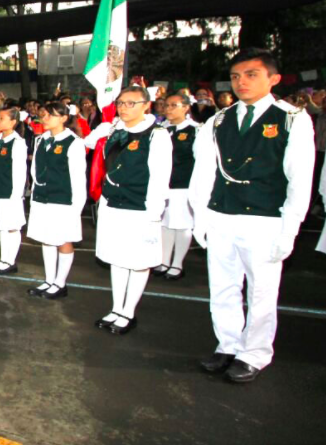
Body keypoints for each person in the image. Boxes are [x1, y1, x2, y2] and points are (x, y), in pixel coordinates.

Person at [190, 48, 314, 383]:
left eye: (251, 74)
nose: (241, 82)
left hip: (264, 218)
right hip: (222, 214)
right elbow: (204, 173)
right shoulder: (219, 120)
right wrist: (201, 216)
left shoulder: (291, 119)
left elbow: (299, 179)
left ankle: (254, 353)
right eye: (235, 76)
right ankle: (228, 345)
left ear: (273, 79)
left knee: (260, 292)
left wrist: (289, 229)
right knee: (223, 287)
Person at [85, 86, 172, 335]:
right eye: (121, 103)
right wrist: (103, 127)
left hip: (139, 206)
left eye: (130, 103)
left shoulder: (156, 135)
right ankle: (116, 308)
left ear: (146, 105)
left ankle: (128, 312)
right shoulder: (115, 129)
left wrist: (153, 215)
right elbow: (88, 143)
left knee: (137, 261)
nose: (124, 108)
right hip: (113, 203)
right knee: (117, 258)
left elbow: (159, 177)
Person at [25, 102, 87, 297]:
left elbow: (78, 177)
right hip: (42, 198)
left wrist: (76, 207)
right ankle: (49, 280)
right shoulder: (41, 140)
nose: (45, 119)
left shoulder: (73, 142)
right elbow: (35, 171)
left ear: (64, 118)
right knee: (47, 239)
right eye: (43, 115)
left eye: (50, 115)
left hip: (63, 200)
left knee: (63, 240)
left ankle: (60, 283)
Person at [154, 94, 198, 280]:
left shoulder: (195, 130)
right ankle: (164, 260)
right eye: (166, 105)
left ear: (186, 107)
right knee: (165, 224)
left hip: (183, 185)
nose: (168, 109)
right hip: (163, 184)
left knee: (182, 224)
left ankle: (177, 263)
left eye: (174, 105)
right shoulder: (161, 129)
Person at [0, 105, 27, 274]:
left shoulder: (18, 143)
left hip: (10, 191)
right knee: (2, 225)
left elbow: (20, 171)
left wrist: (16, 195)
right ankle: (3, 259)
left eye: (1, 118)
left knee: (12, 226)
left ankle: (11, 261)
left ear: (13, 122)